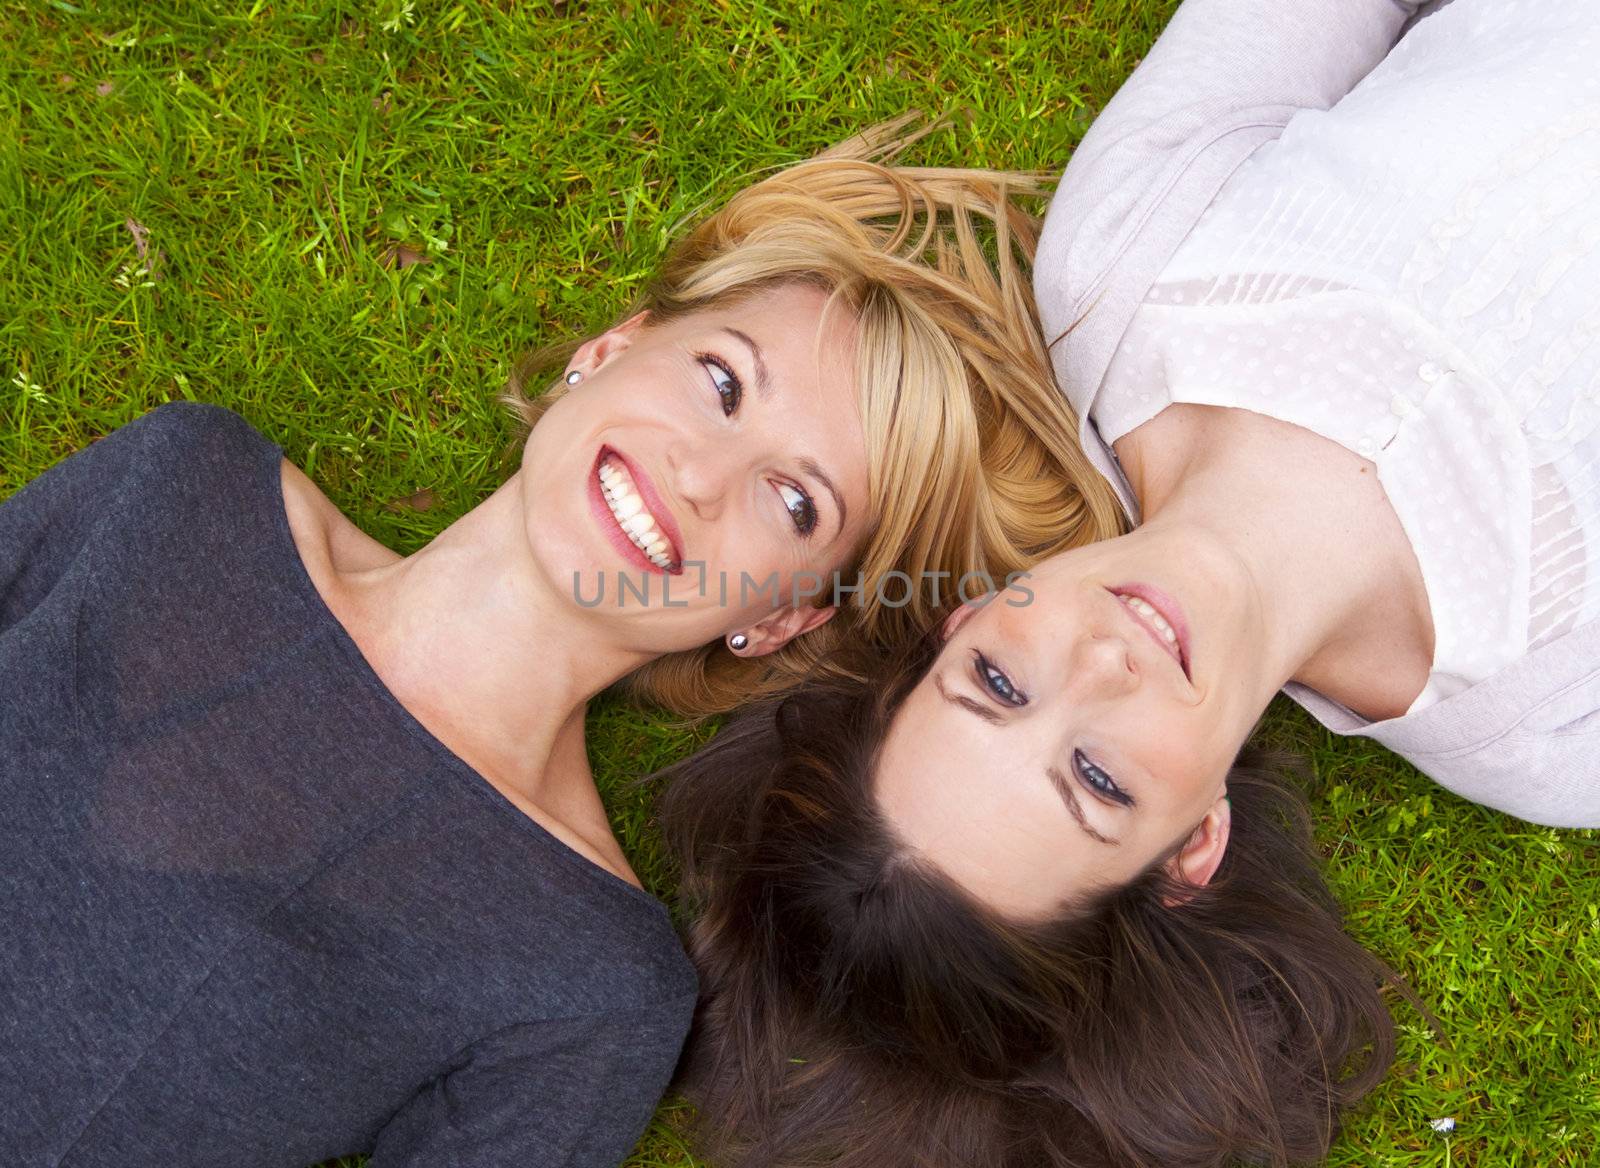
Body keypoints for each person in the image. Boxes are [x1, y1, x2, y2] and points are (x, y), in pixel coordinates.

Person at [0, 124, 1119, 1166]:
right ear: (612, 346)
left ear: (782, 616)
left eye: (792, 503)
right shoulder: (181, 486)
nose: (700, 473)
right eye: (722, 382)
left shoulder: (588, 983)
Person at [659, 0, 1600, 1165]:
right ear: (1190, 849)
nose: (1098, 665)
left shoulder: (1120, 276)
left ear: (959, 619)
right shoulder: (1560, 728)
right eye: (1096, 777)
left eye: (997, 682)